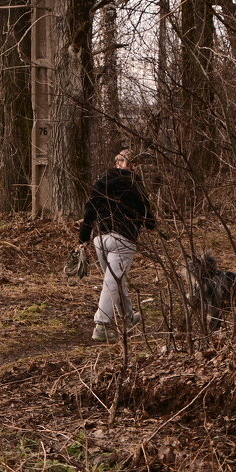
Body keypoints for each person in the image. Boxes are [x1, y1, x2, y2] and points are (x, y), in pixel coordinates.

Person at [78, 147, 156, 342]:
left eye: (119, 161)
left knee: (115, 280)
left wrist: (83, 239)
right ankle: (101, 325)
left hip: (100, 238)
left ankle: (127, 315)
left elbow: (89, 211)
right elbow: (147, 215)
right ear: (134, 166)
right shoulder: (134, 183)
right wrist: (151, 224)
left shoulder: (102, 181)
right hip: (122, 239)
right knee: (112, 282)